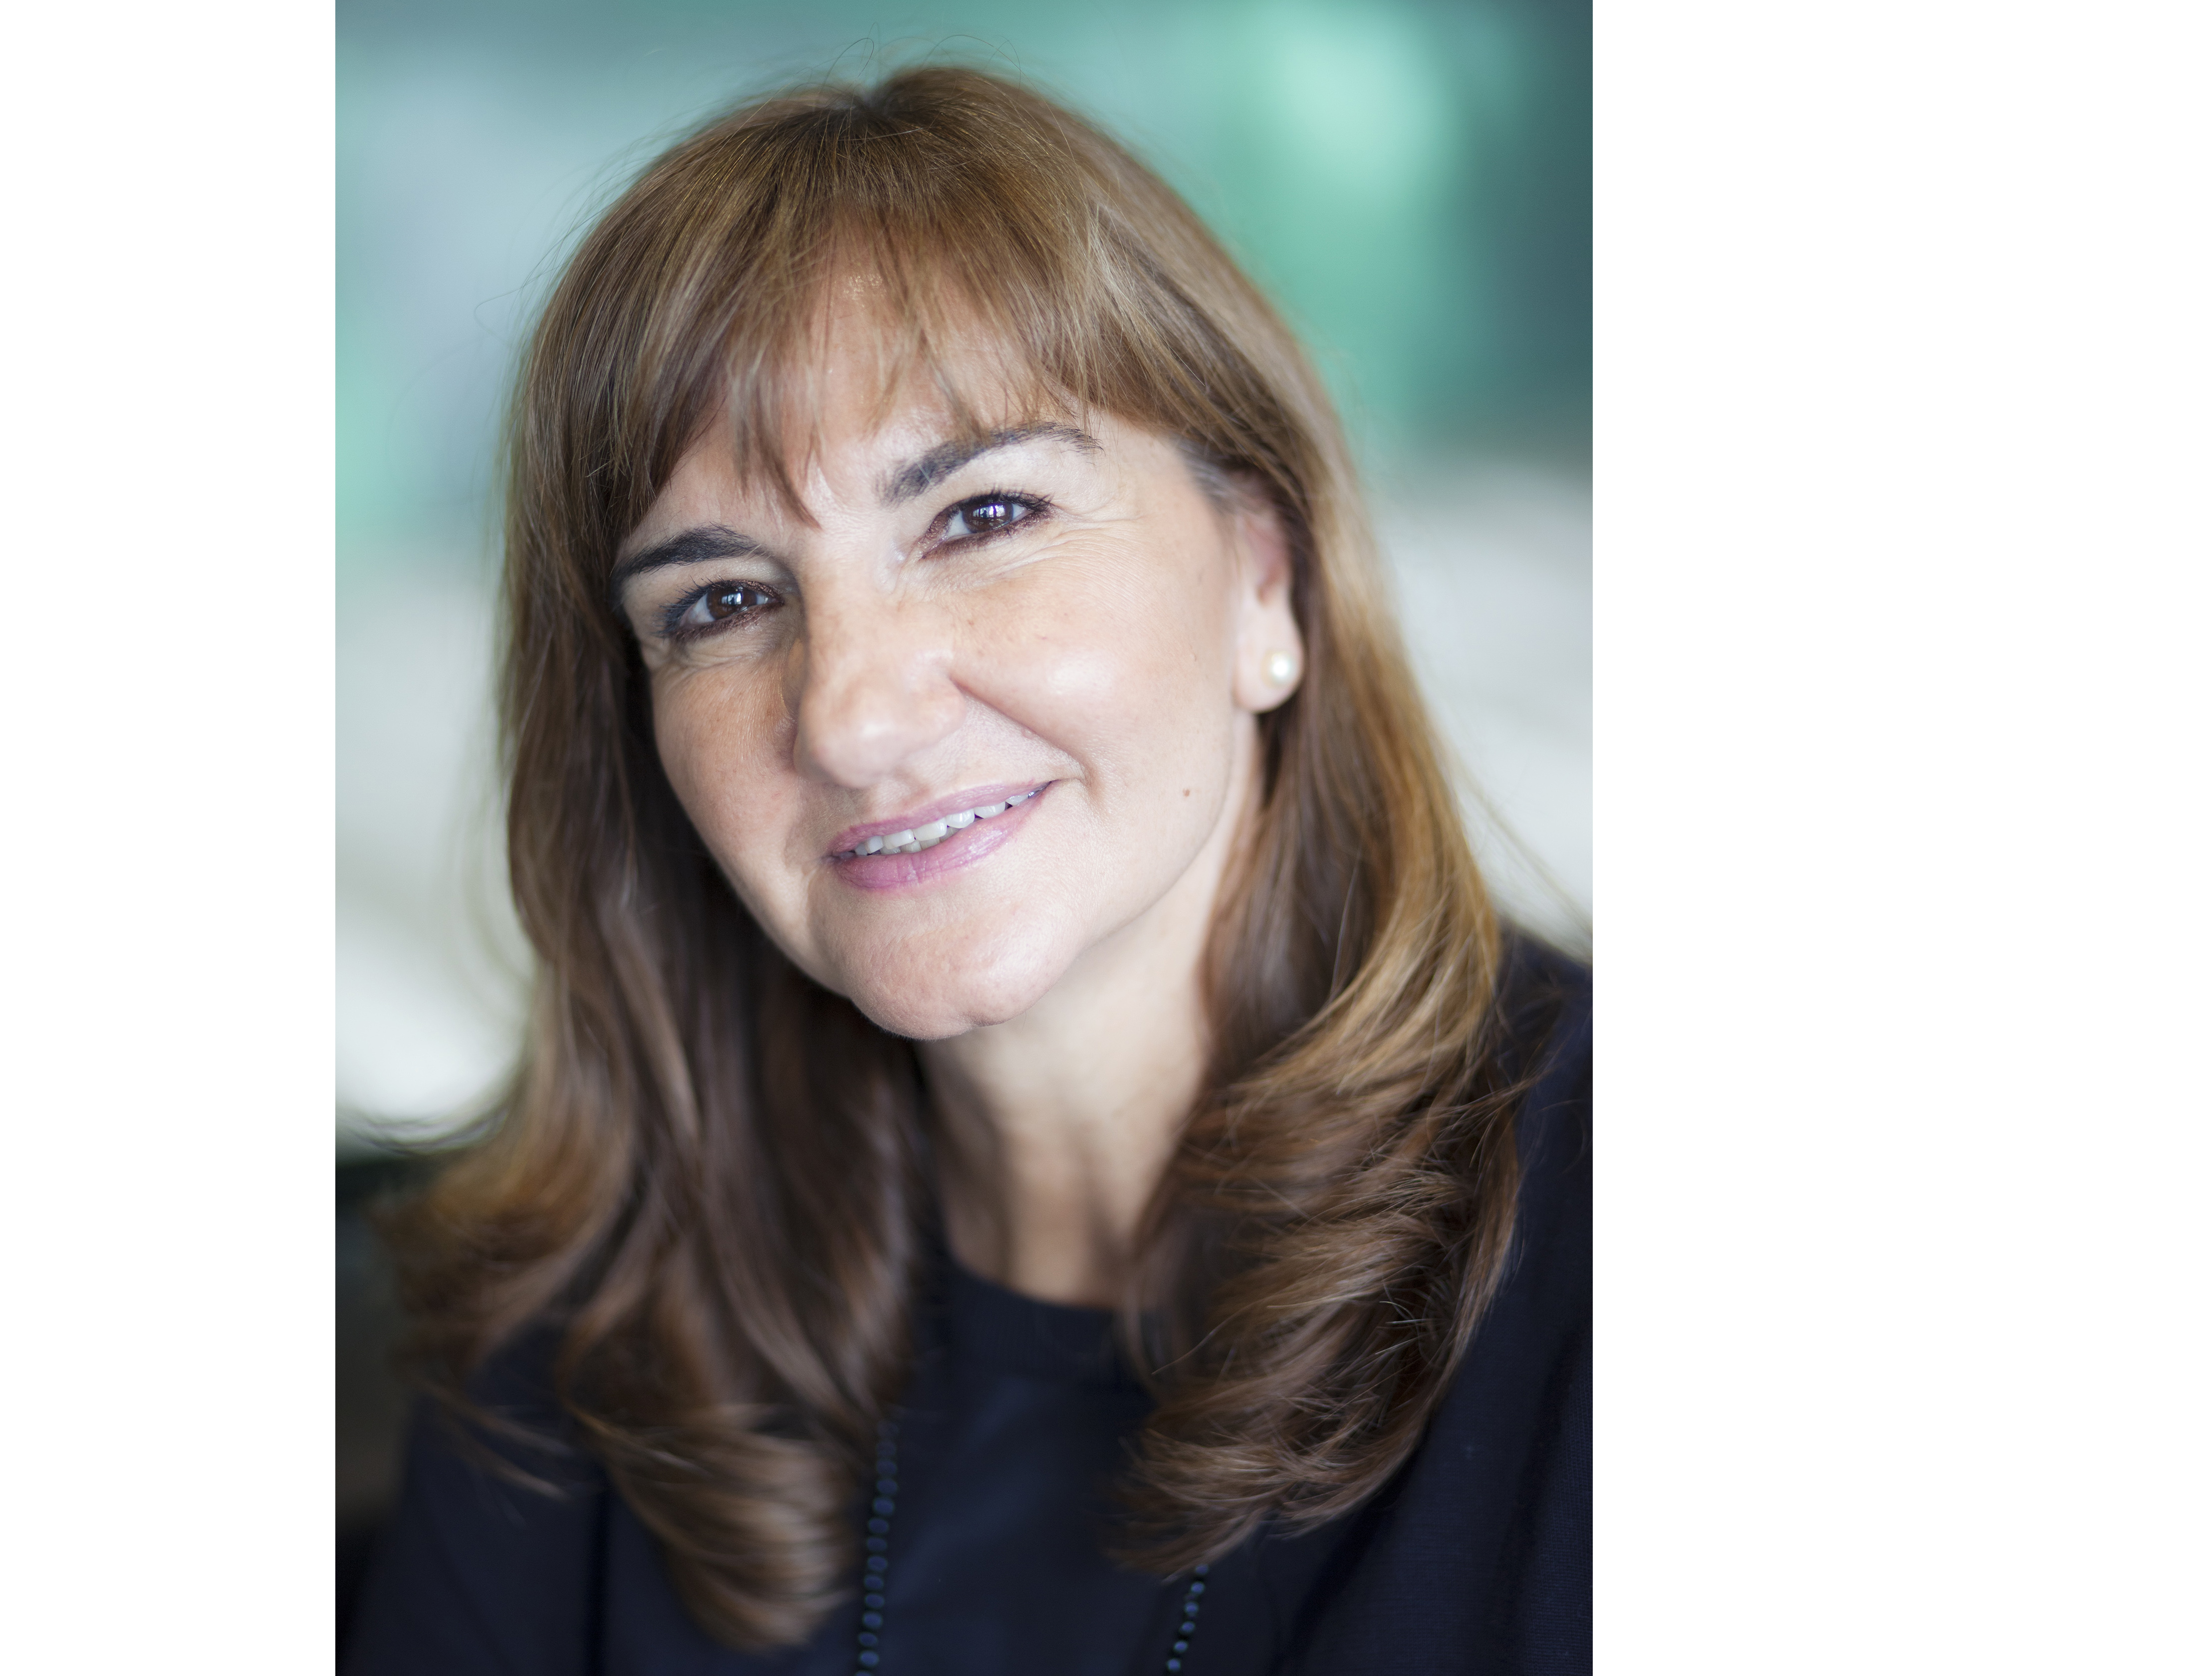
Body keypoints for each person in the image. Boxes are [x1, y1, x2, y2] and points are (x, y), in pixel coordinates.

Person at [347, 64, 1588, 1676]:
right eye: (721, 603)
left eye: (982, 514)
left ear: (1262, 580)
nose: (853, 717)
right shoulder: (566, 1344)